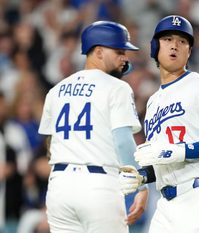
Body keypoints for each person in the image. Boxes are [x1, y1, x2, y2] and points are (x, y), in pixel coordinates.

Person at [118, 15, 199, 233]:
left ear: (189, 51)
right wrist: (143, 176)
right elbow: (164, 158)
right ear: (155, 47)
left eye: (182, 41)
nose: (175, 45)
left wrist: (181, 151)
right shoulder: (153, 102)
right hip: (166, 206)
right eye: (167, 39)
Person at [38, 21, 148, 233]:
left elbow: (50, 142)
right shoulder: (117, 87)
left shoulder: (56, 90)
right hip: (99, 186)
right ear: (98, 51)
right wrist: (141, 185)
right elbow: (124, 141)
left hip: (60, 186)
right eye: (119, 51)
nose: (125, 57)